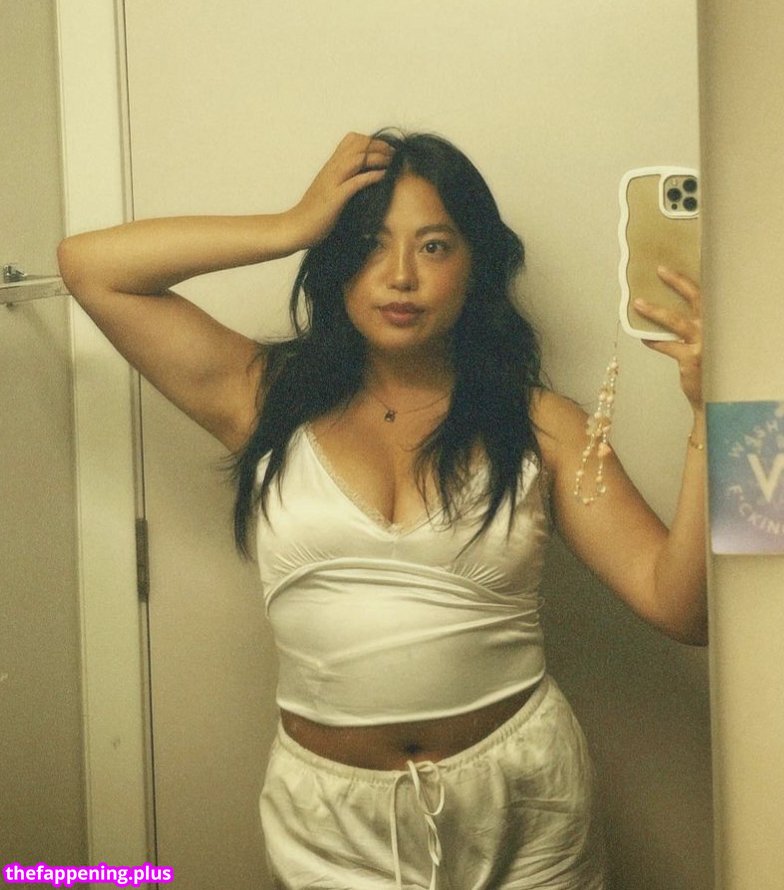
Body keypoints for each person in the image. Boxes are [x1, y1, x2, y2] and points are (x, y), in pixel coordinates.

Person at [58, 131, 707, 889]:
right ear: (334, 260)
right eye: (369, 244)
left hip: (525, 801)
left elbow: (682, 607)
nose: (400, 275)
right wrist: (292, 225)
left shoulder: (543, 425)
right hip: (330, 821)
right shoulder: (263, 396)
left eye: (434, 246)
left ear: (476, 266)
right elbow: (91, 267)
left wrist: (714, 417)